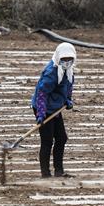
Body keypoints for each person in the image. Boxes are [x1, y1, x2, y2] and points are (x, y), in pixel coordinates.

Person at [30, 42, 77, 178]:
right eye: (64, 59)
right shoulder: (51, 73)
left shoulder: (69, 70)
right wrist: (41, 114)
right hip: (43, 107)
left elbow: (68, 86)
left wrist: (67, 99)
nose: (67, 62)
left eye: (70, 59)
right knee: (47, 140)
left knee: (61, 138)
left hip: (56, 107)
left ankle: (59, 171)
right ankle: (45, 173)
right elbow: (42, 93)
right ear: (58, 58)